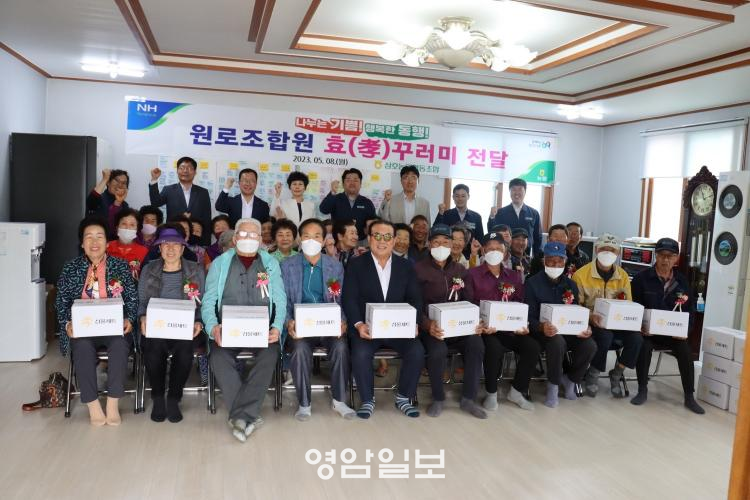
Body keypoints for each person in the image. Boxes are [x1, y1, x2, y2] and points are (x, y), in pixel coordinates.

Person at [202, 218, 287, 442]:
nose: (248, 239)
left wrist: (277, 327)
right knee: (218, 357)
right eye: (243, 234)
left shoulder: (270, 263)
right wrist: (213, 328)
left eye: (253, 235)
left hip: (261, 330)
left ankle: (240, 415)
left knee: (270, 355)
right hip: (228, 329)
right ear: (234, 238)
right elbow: (208, 300)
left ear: (260, 239)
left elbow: (280, 299)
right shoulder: (220, 263)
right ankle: (249, 414)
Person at [55, 216, 138, 425]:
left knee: (119, 345)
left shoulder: (120, 266)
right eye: (88, 237)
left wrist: (129, 319)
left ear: (107, 243)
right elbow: (61, 302)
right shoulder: (70, 268)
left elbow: (132, 298)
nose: (94, 242)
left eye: (99, 236)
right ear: (82, 243)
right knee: (82, 347)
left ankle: (112, 403)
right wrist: (67, 324)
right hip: (83, 328)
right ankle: (92, 405)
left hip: (113, 327)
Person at [342, 219, 424, 419]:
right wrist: (358, 324)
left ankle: (403, 398)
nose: (382, 241)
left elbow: (415, 298)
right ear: (369, 239)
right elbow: (349, 298)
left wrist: (414, 323)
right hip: (367, 329)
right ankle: (367, 400)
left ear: (394, 240)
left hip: (398, 329)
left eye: (387, 237)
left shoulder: (406, 266)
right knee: (360, 353)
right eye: (377, 236)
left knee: (417, 351)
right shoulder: (356, 265)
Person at [281, 218, 355, 421]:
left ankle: (339, 400)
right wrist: (289, 322)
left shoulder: (334, 266)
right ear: (299, 239)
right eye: (306, 236)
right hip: (301, 326)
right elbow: (282, 300)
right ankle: (304, 403)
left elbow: (342, 299)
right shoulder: (287, 266)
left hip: (327, 325)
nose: (311, 241)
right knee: (299, 350)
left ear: (323, 241)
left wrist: (342, 321)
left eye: (316, 236)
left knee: (341, 347)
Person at [416, 224, 486, 419]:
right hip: (432, 329)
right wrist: (427, 324)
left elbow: (470, 301)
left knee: (476, 344)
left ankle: (468, 399)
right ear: (429, 244)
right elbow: (413, 304)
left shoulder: (460, 270)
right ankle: (438, 398)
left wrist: (476, 321)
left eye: (445, 242)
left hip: (459, 328)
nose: (441, 246)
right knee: (438, 351)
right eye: (436, 242)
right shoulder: (418, 269)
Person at [464, 231, 540, 411]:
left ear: (505, 251)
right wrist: (480, 323)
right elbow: (468, 303)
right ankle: (491, 393)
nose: (494, 251)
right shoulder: (472, 274)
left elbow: (520, 303)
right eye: (490, 248)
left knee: (533, 347)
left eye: (498, 248)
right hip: (486, 330)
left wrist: (522, 324)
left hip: (510, 329)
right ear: (483, 250)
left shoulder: (514, 276)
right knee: (493, 348)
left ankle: (516, 391)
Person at [138, 227, 205, 422]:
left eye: (175, 245)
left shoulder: (195, 270)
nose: (170, 249)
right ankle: (158, 397)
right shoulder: (149, 269)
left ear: (183, 249)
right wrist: (142, 317)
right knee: (153, 347)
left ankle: (174, 398)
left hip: (186, 326)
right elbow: (142, 302)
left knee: (184, 349)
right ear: (159, 248)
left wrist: (199, 321)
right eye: (165, 244)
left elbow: (204, 301)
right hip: (156, 326)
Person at [630, 237, 704, 414]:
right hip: (648, 332)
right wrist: (639, 326)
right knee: (644, 346)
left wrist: (685, 331)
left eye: (670, 256)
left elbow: (690, 311)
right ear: (656, 256)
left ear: (676, 258)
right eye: (662, 255)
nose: (665, 260)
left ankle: (689, 396)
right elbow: (633, 307)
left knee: (685, 350)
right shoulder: (641, 279)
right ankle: (642, 389)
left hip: (672, 333)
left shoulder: (682, 281)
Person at [526, 242, 596, 408]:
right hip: (542, 332)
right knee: (557, 342)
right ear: (544, 261)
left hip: (568, 331)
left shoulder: (571, 285)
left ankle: (571, 379)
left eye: (559, 261)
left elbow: (576, 312)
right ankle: (553, 385)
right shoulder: (532, 283)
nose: (555, 264)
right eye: (551, 260)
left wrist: (584, 327)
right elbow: (529, 315)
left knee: (590, 345)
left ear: (565, 262)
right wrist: (542, 327)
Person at [573, 233, 643, 398]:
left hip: (618, 323)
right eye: (604, 248)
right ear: (596, 250)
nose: (608, 253)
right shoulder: (581, 275)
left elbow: (628, 304)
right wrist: (590, 317)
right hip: (592, 322)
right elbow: (576, 305)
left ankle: (617, 372)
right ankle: (593, 373)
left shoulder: (622, 276)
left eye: (612, 250)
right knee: (605, 336)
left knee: (637, 338)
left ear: (618, 253)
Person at [149, 157, 212, 245]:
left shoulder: (203, 192)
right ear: (177, 171)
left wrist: (206, 244)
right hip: (173, 237)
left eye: (189, 168)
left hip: (196, 239)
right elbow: (155, 203)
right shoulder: (168, 190)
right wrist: (154, 179)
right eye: (182, 168)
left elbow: (207, 219)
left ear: (195, 172)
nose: (185, 171)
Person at [488, 178, 542, 257]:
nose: (516, 193)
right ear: (509, 192)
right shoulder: (501, 212)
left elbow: (538, 237)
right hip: (505, 254)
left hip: (525, 255)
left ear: (525, 191)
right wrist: (492, 217)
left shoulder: (534, 213)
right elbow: (492, 233)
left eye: (520, 189)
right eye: (513, 189)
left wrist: (537, 257)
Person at [319, 168, 376, 242]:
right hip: (339, 241)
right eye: (348, 180)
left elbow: (373, 222)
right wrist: (333, 192)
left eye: (355, 180)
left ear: (360, 184)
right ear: (343, 184)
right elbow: (323, 209)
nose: (352, 183)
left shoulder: (367, 202)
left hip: (360, 241)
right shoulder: (336, 198)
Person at [434, 183, 484, 255]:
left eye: (463, 196)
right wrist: (440, 214)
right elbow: (436, 231)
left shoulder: (476, 217)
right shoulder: (446, 214)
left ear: (468, 196)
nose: (460, 199)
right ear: (453, 197)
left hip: (470, 255)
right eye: (457, 196)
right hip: (449, 255)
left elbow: (480, 239)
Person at [106, 208, 148, 280]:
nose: (127, 228)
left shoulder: (144, 251)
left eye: (132, 225)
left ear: (137, 229)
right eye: (124, 224)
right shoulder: (106, 247)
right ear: (117, 227)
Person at [87, 169, 130, 238]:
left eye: (124, 183)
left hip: (115, 243)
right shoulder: (99, 198)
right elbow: (91, 202)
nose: (120, 185)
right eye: (117, 180)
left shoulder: (125, 205)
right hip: (96, 240)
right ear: (108, 183)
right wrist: (104, 179)